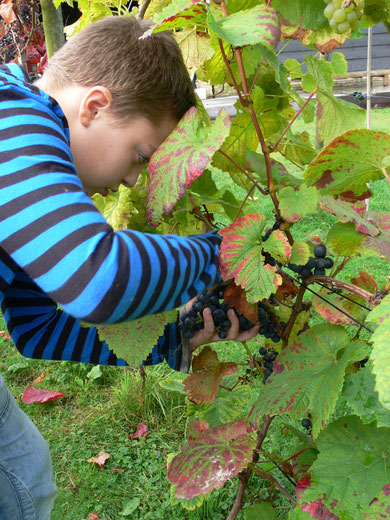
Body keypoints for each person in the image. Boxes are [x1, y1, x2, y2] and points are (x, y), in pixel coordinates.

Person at [0, 15, 259, 520]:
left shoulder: (20, 189)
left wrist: (172, 337)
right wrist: (221, 252)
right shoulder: (11, 118)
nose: (130, 183)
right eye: (141, 156)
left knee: (24, 472)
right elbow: (98, 279)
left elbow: (37, 328)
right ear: (94, 105)